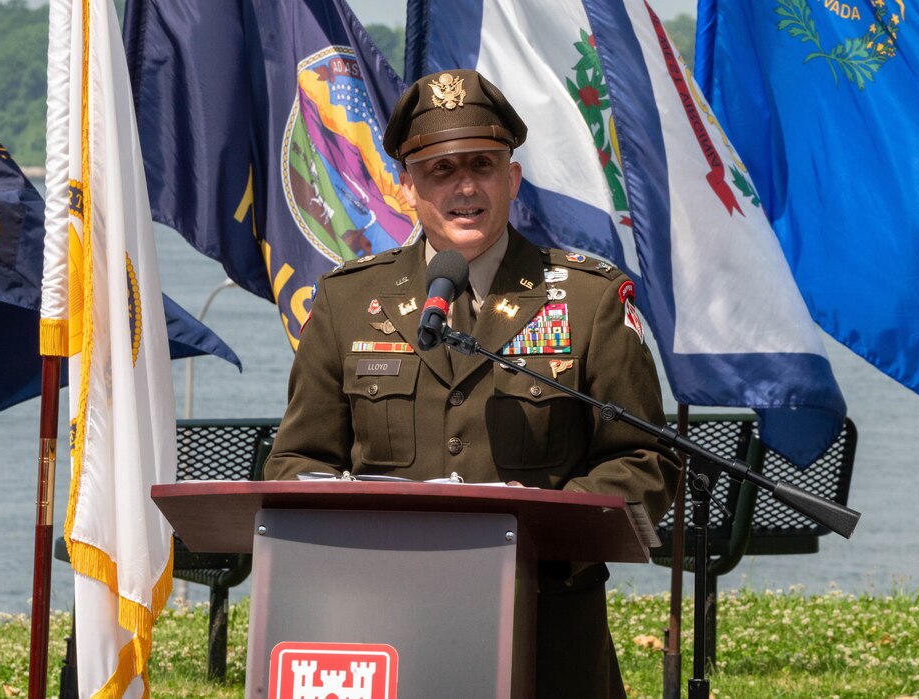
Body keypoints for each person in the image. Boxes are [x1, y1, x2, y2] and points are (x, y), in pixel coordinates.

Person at [265, 68, 682, 697]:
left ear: (511, 179)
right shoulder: (350, 301)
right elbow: (297, 459)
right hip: (383, 619)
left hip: (546, 625)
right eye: (440, 170)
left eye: (482, 166)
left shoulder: (587, 300)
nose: (465, 187)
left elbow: (644, 460)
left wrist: (538, 530)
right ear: (406, 188)